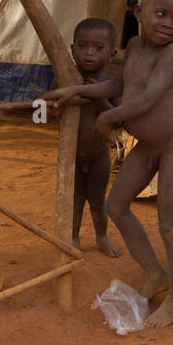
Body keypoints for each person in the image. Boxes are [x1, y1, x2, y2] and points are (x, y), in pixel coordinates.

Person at [45, 0, 173, 328]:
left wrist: (106, 119)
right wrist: (74, 91)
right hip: (147, 146)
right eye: (161, 14)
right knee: (116, 206)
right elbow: (119, 85)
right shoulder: (135, 47)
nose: (169, 25)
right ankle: (154, 273)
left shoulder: (172, 54)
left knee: (170, 225)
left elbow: (146, 100)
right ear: (139, 11)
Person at [68, 18, 121, 257]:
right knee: (75, 201)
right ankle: (73, 238)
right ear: (72, 49)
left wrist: (98, 98)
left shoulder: (112, 83)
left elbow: (119, 118)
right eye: (82, 45)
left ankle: (101, 236)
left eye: (98, 48)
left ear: (111, 54)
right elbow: (44, 111)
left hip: (100, 156)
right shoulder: (65, 80)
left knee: (98, 202)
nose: (89, 53)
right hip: (72, 158)